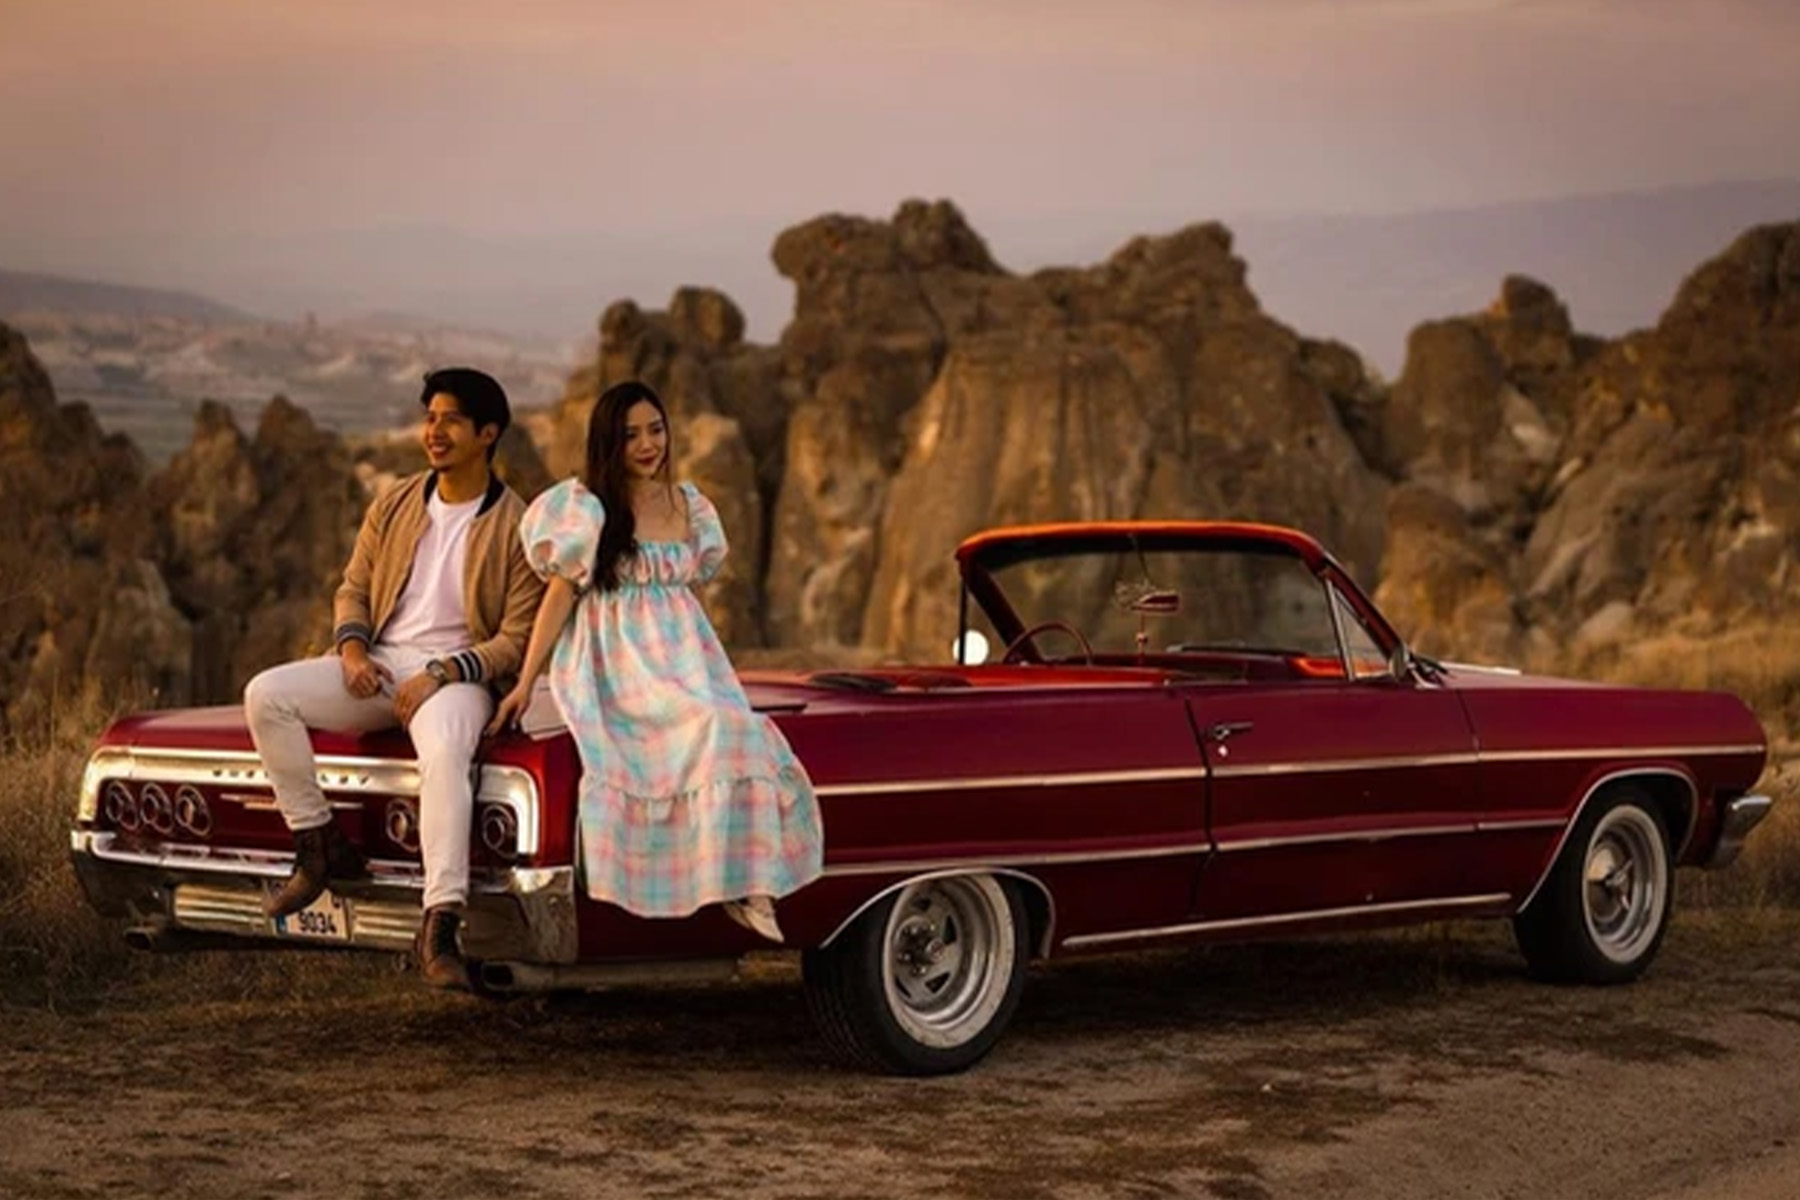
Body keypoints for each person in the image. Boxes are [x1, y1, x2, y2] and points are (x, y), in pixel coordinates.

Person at [488, 380, 822, 941]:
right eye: (631, 435)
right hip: (616, 659)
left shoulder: (689, 506)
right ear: (608, 444)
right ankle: (685, 884)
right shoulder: (587, 508)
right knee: (675, 740)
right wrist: (527, 679)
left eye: (656, 430)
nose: (648, 445)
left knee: (734, 728)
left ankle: (743, 880)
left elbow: (687, 594)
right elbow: (561, 595)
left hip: (685, 654)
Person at [244, 367, 545, 989]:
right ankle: (317, 842)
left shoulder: (516, 524)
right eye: (430, 417)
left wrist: (441, 673)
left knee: (443, 752)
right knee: (267, 695)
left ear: (488, 434)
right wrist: (353, 652)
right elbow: (353, 589)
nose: (434, 431)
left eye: (451, 420)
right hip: (379, 664)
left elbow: (514, 641)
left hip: (457, 679)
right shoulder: (398, 502)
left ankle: (440, 923)